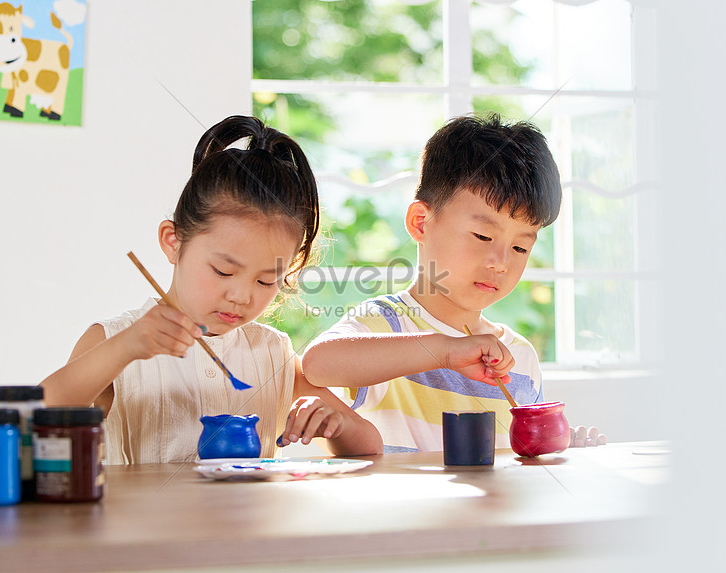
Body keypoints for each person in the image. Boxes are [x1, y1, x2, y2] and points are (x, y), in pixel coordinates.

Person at [41, 115, 382, 464]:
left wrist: (334, 423)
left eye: (266, 280)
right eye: (223, 270)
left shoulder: (272, 353)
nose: (241, 295)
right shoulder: (112, 337)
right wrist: (125, 348)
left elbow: (369, 445)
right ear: (173, 241)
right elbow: (34, 415)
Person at [302, 114, 604, 452]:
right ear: (421, 222)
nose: (500, 262)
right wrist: (445, 350)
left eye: (520, 247)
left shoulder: (519, 356)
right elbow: (317, 364)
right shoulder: (385, 324)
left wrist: (558, 447)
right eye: (482, 235)